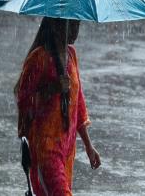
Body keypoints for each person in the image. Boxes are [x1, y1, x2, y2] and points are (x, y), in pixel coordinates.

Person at [15, 17, 101, 196]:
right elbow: (23, 101)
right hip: (45, 148)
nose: (77, 30)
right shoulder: (39, 58)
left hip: (67, 148)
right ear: (57, 25)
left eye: (78, 24)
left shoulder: (71, 55)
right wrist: (50, 90)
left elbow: (78, 105)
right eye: (73, 24)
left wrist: (88, 146)